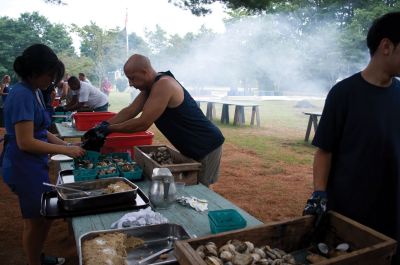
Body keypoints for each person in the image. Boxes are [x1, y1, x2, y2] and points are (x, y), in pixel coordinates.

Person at [303, 12, 400, 264]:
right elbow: (325, 150)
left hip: (393, 208)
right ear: (386, 46)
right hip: (350, 208)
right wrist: (319, 194)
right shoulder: (343, 93)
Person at [1, 43, 85, 265]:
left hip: (33, 164)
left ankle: (37, 255)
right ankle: (34, 262)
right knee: (36, 220)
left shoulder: (35, 91)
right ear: (35, 72)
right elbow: (26, 142)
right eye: (49, 75)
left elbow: (41, 131)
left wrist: (68, 146)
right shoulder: (21, 95)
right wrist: (65, 150)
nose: (52, 80)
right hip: (21, 165)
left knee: (44, 215)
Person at [86, 54, 225, 186]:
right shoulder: (150, 86)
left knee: (199, 189)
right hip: (191, 145)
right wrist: (104, 124)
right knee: (189, 185)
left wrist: (108, 129)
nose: (130, 83)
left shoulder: (164, 84)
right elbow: (131, 110)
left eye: (133, 78)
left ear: (145, 72)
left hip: (206, 145)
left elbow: (143, 123)